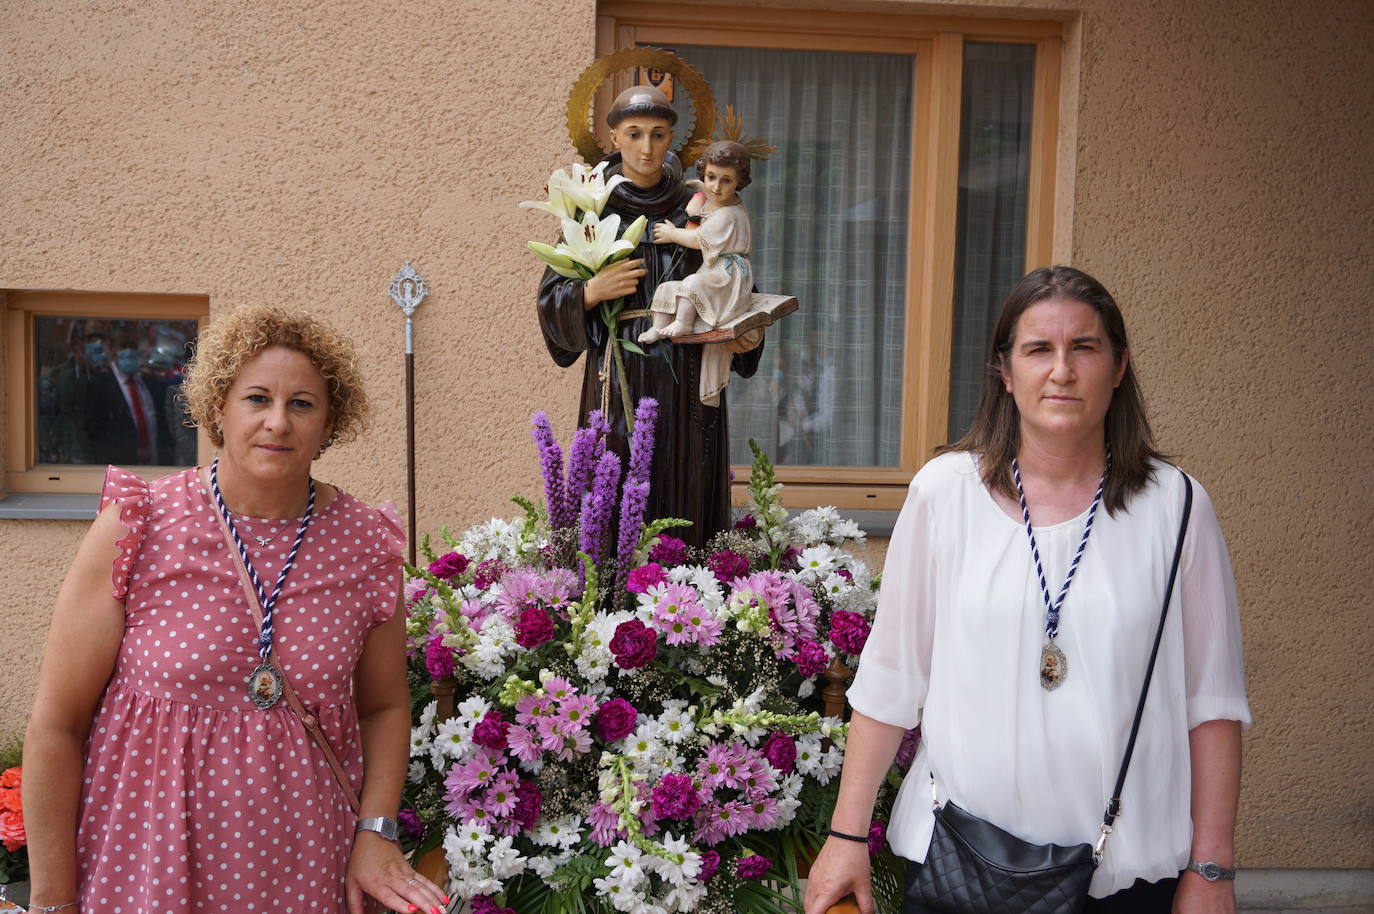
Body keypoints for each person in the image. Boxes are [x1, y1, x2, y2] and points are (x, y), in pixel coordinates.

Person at [803, 267, 1251, 914]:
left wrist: (1213, 870)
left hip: (1126, 879)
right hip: (956, 862)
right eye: (1039, 349)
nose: (1062, 370)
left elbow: (1212, 705)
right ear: (1005, 373)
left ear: (1119, 366)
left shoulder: (1176, 508)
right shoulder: (944, 493)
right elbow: (891, 681)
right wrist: (846, 837)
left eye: (1085, 348)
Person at [22, 305, 449, 914]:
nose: (277, 422)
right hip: (147, 864)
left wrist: (375, 832)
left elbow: (383, 708)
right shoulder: (139, 527)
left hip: (307, 868)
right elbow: (56, 726)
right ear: (218, 407)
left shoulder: (365, 544)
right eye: (257, 398)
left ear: (330, 423)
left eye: (302, 403)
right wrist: (52, 901)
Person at [537, 85, 765, 549]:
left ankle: (688, 597)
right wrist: (589, 293)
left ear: (672, 139)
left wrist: (749, 337)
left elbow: (735, 279)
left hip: (689, 372)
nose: (647, 147)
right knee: (614, 487)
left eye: (659, 134)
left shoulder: (698, 206)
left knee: (688, 485)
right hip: (620, 374)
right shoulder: (593, 210)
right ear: (614, 138)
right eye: (634, 133)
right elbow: (551, 298)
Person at [640, 140, 756, 408]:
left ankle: (681, 323)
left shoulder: (731, 214)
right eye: (711, 177)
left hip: (729, 277)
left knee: (692, 283)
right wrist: (697, 196)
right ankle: (658, 327)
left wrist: (671, 233)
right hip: (714, 273)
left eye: (726, 181)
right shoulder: (718, 200)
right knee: (668, 287)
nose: (716, 186)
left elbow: (698, 239)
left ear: (739, 182)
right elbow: (704, 197)